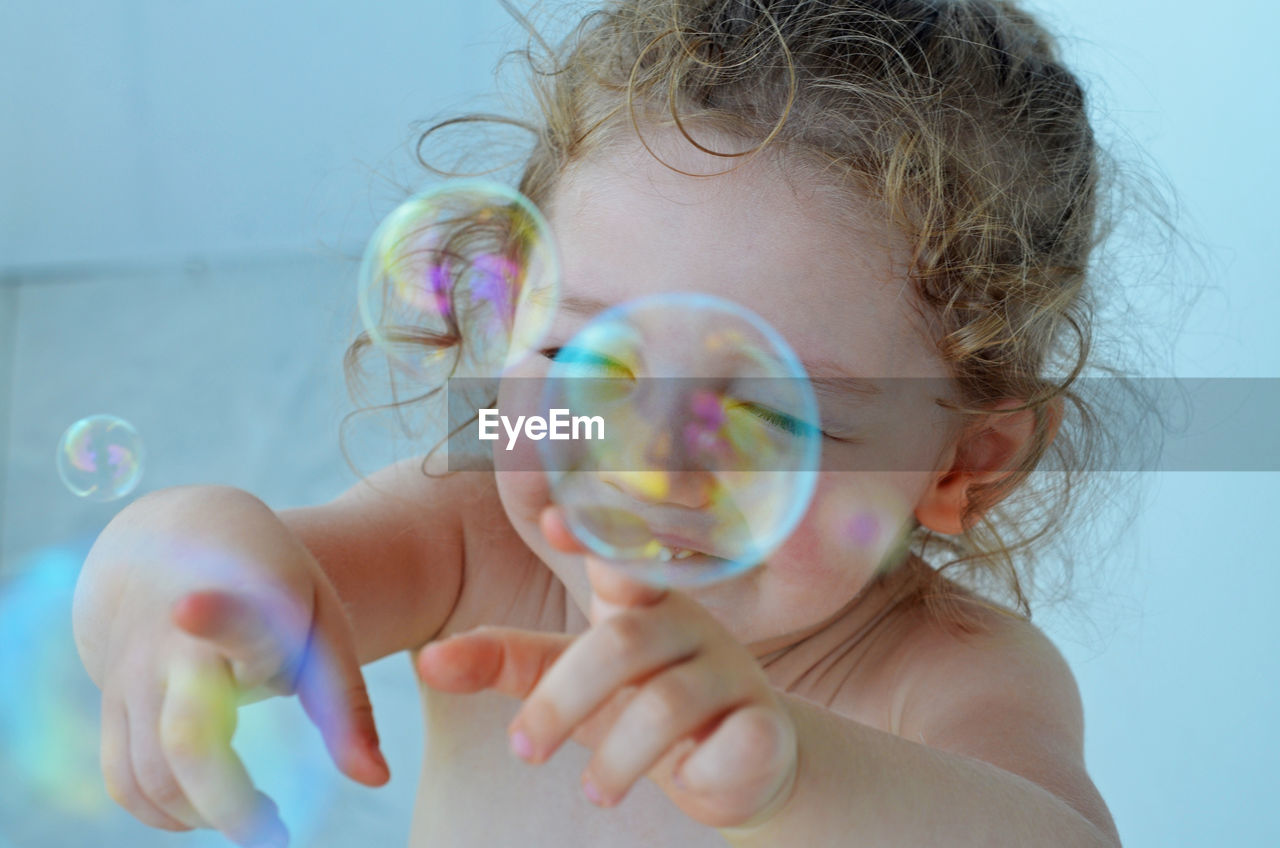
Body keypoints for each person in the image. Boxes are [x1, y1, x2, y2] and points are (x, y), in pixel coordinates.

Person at [73, 1, 1126, 845]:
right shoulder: (472, 533)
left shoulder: (946, 673)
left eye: (761, 406)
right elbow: (247, 584)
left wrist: (793, 772)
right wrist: (172, 560)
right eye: (585, 360)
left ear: (964, 461)